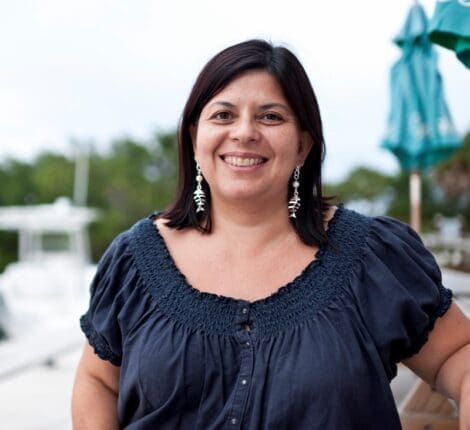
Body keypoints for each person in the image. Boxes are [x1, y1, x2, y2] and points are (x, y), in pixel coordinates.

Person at [71, 39, 470, 429]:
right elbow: (98, 381)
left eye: (271, 117)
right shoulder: (136, 258)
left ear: (303, 146)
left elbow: (459, 357)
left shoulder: (371, 256)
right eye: (223, 115)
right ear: (195, 139)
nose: (244, 133)